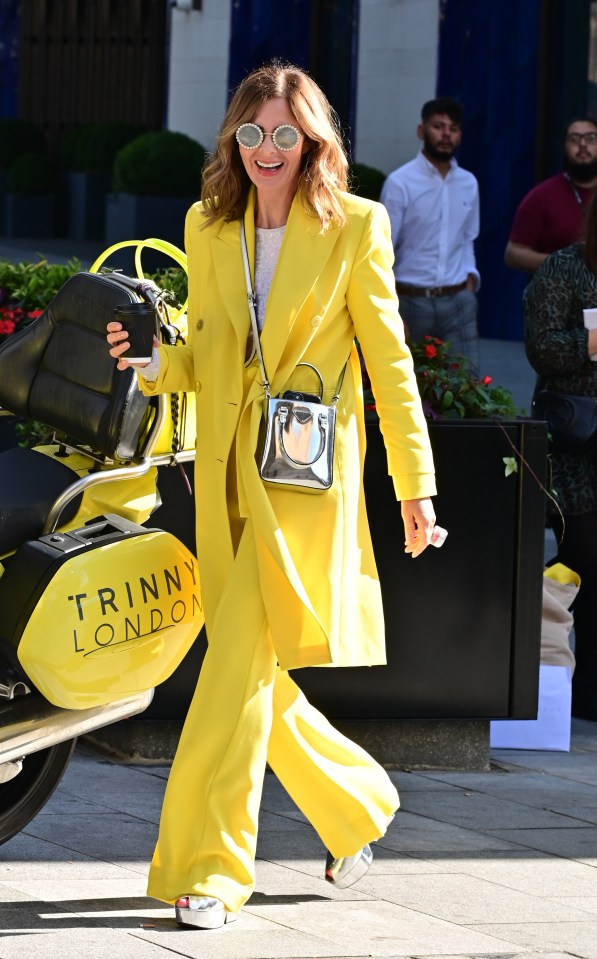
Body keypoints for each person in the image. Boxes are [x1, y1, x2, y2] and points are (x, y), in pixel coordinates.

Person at [107, 61, 438, 930]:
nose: (266, 150)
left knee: (232, 670)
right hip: (223, 482)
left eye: (285, 134)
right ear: (235, 140)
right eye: (251, 133)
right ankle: (358, 802)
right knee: (247, 670)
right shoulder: (205, 226)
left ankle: (210, 868)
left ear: (314, 141)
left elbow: (390, 367)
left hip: (298, 485)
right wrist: (152, 363)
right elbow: (206, 353)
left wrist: (416, 487)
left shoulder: (357, 227)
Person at [524, 188, 597, 721]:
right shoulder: (564, 271)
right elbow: (541, 346)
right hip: (575, 445)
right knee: (581, 556)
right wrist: (592, 343)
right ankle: (559, 677)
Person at [379, 96, 480, 375]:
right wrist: (393, 306)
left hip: (458, 300)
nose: (446, 134)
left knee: (467, 386)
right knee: (410, 386)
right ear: (421, 131)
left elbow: (467, 239)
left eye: (454, 128)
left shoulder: (468, 183)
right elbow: (382, 249)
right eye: (438, 126)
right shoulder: (400, 183)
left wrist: (470, 278)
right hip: (411, 300)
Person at [505, 116, 597, 275]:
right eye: (574, 139)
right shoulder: (541, 196)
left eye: (590, 139)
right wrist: (562, 264)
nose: (582, 145)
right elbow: (513, 254)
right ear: (564, 147)